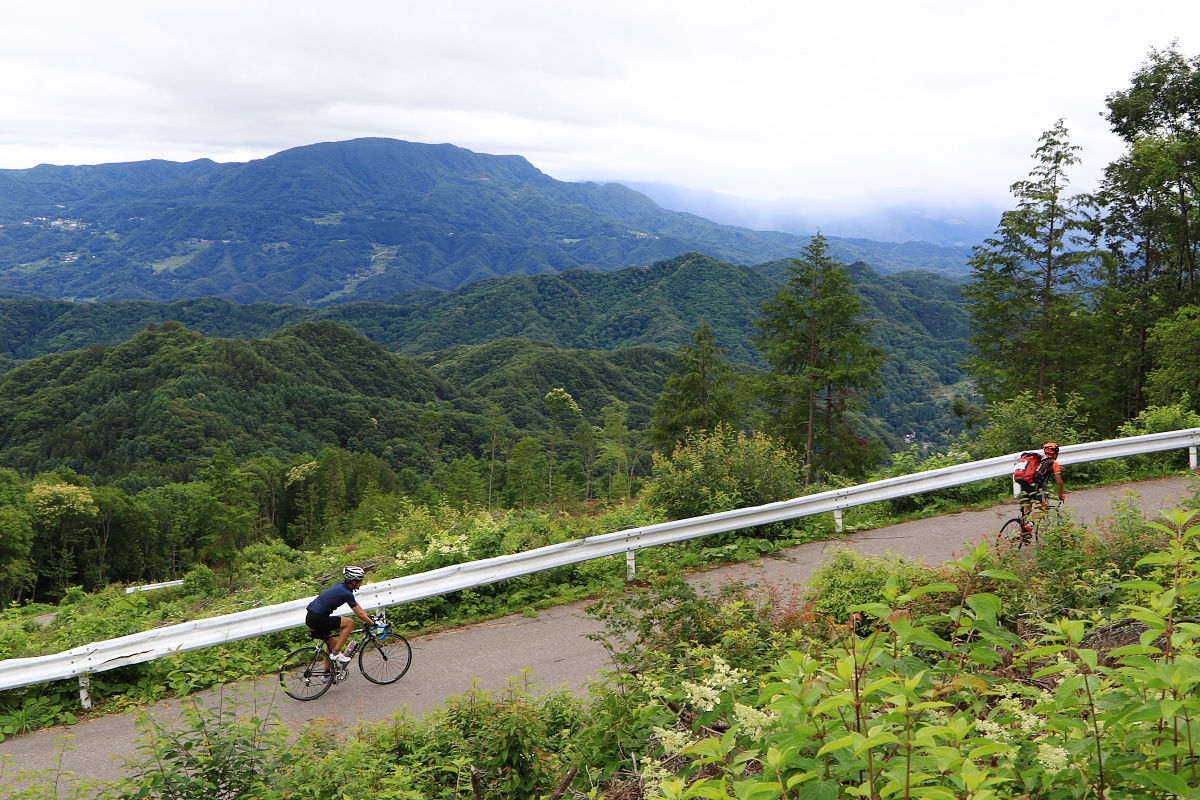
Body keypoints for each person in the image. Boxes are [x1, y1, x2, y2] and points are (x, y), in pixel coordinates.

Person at [306, 565, 375, 663]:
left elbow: (356, 605)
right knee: (349, 623)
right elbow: (359, 615)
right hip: (318, 619)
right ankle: (336, 653)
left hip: (312, 617)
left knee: (332, 644)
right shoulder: (346, 592)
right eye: (361, 580)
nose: (362, 582)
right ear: (354, 581)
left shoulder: (342, 586)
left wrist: (365, 614)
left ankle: (327, 674)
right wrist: (373, 623)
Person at [1016, 442, 1065, 533]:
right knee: (1043, 509)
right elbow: (1059, 482)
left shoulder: (1037, 459)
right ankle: (1029, 526)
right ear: (1055, 453)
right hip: (1036, 487)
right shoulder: (1053, 463)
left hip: (1025, 485)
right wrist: (1060, 495)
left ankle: (1022, 534)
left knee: (1027, 509)